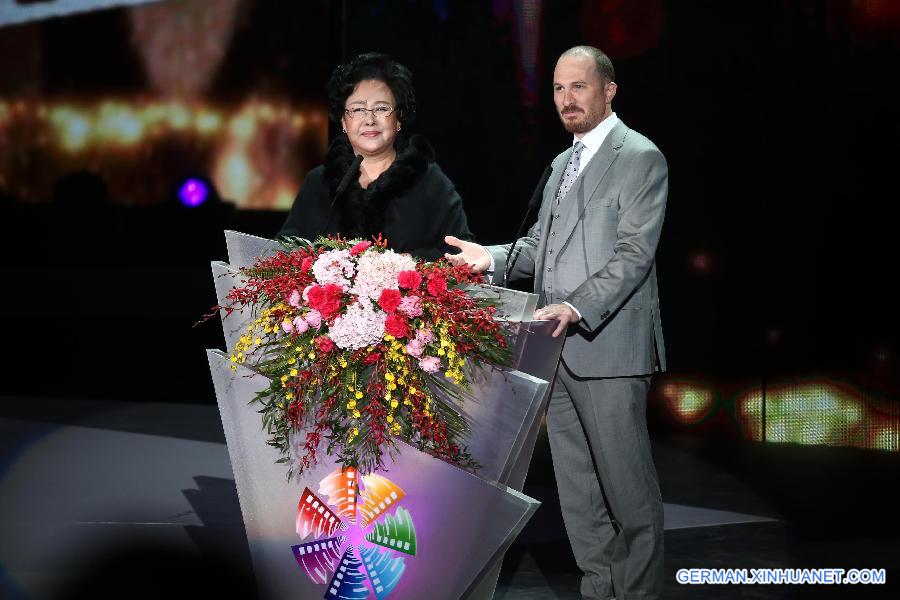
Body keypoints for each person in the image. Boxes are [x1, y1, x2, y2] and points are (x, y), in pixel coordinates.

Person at [445, 45, 667, 599]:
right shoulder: (562, 164)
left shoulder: (640, 156)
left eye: (579, 87)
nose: (567, 99)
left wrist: (576, 305)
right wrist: (490, 259)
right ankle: (600, 590)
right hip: (553, 350)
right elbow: (541, 246)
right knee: (578, 493)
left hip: (607, 348)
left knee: (628, 493)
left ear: (609, 90)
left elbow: (634, 254)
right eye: (558, 89)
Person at [279, 52, 474, 260]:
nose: (370, 119)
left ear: (399, 119)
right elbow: (285, 250)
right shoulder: (319, 182)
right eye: (358, 109)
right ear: (344, 122)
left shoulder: (432, 184)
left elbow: (462, 255)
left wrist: (401, 266)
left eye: (381, 108)